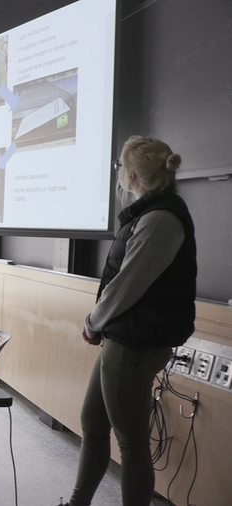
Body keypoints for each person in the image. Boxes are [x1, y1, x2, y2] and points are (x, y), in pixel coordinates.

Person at [59, 136, 197, 506]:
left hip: (135, 344)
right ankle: (77, 503)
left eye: (120, 167)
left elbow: (125, 287)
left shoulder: (161, 220)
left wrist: (92, 322)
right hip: (122, 338)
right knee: (93, 423)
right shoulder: (149, 213)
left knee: (132, 444)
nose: (119, 174)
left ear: (132, 175)